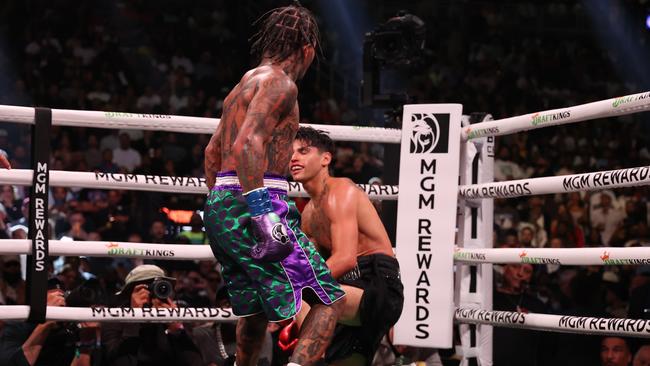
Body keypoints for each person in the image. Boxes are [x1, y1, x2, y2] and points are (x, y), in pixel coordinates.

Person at [202, 3, 344, 366]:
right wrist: (263, 216)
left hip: (222, 202)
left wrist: (223, 211)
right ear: (307, 49)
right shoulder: (281, 83)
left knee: (254, 311)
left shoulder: (241, 85)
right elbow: (246, 144)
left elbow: (211, 152)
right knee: (329, 302)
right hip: (255, 201)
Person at [290, 127, 404, 365]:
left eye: (303, 151)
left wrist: (299, 287)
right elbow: (312, 266)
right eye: (290, 153)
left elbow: (344, 259)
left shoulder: (341, 191)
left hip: (377, 284)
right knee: (291, 290)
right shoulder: (308, 214)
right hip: (346, 290)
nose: (293, 158)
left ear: (325, 158)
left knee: (315, 293)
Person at [102, 264, 203, 366]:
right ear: (130, 294)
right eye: (147, 286)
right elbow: (122, 363)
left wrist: (176, 329)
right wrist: (134, 317)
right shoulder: (115, 318)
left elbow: (196, 363)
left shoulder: (174, 316)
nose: (154, 292)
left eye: (160, 286)